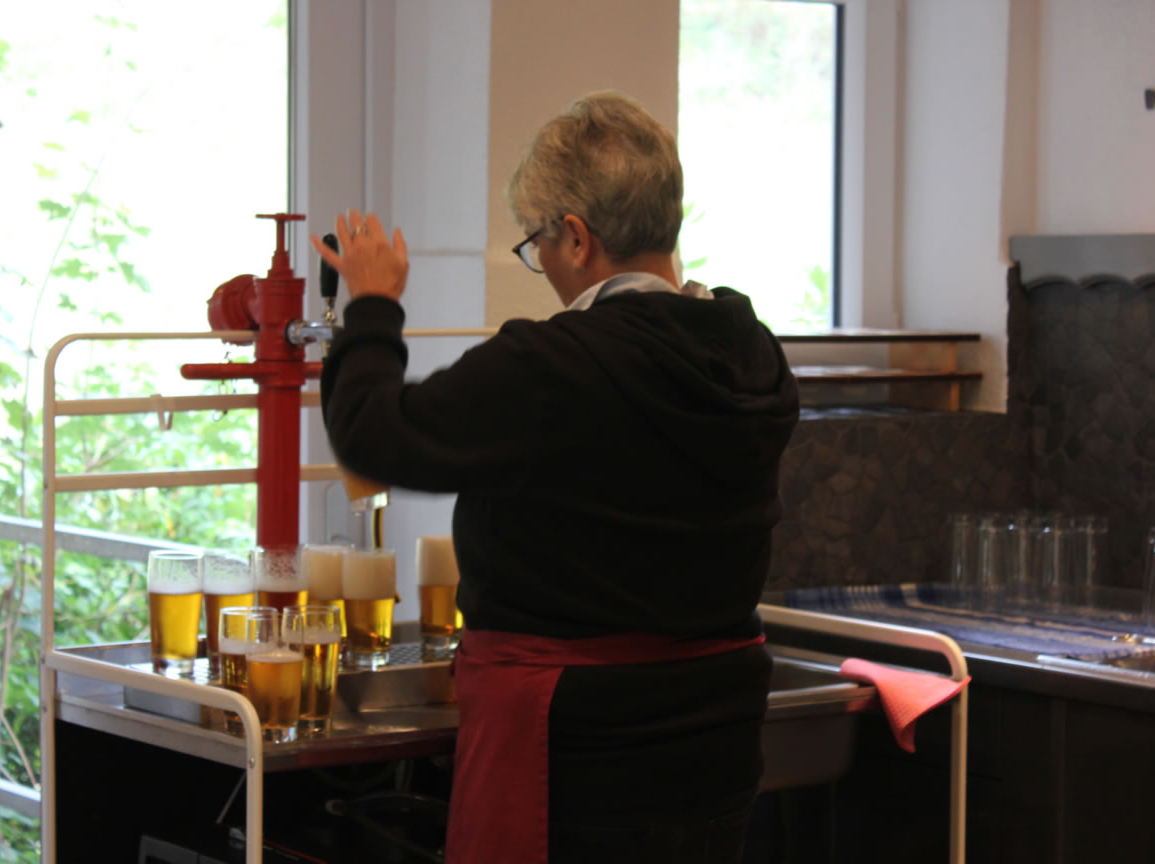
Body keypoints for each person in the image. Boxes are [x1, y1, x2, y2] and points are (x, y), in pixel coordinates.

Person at [311, 91, 799, 864]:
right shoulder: (755, 354)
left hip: (570, 743)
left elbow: (374, 438)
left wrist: (372, 307)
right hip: (716, 740)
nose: (539, 262)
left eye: (536, 242)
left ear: (576, 237)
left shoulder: (555, 366)